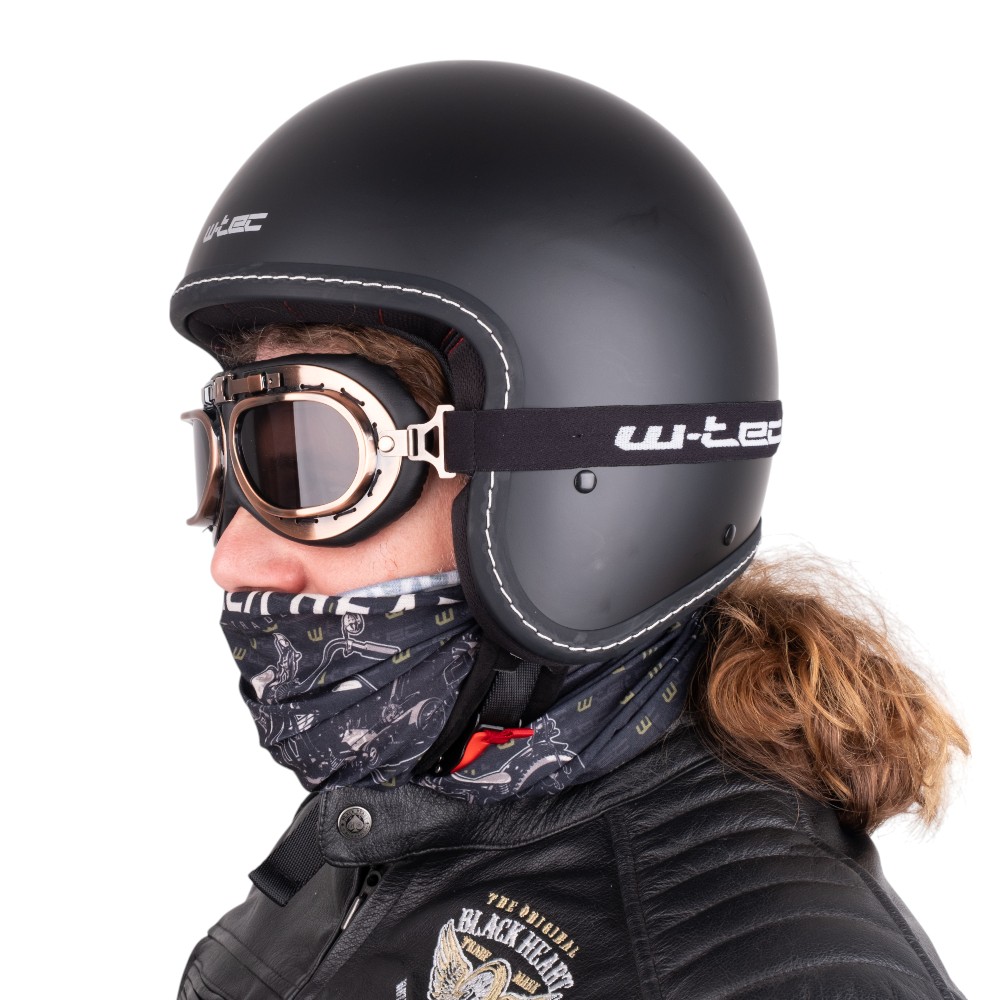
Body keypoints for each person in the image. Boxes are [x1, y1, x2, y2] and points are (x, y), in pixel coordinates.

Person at [171, 63, 967, 999]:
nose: (236, 558)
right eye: (231, 461)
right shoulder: (381, 833)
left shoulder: (775, 976)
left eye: (313, 460)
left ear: (581, 490)